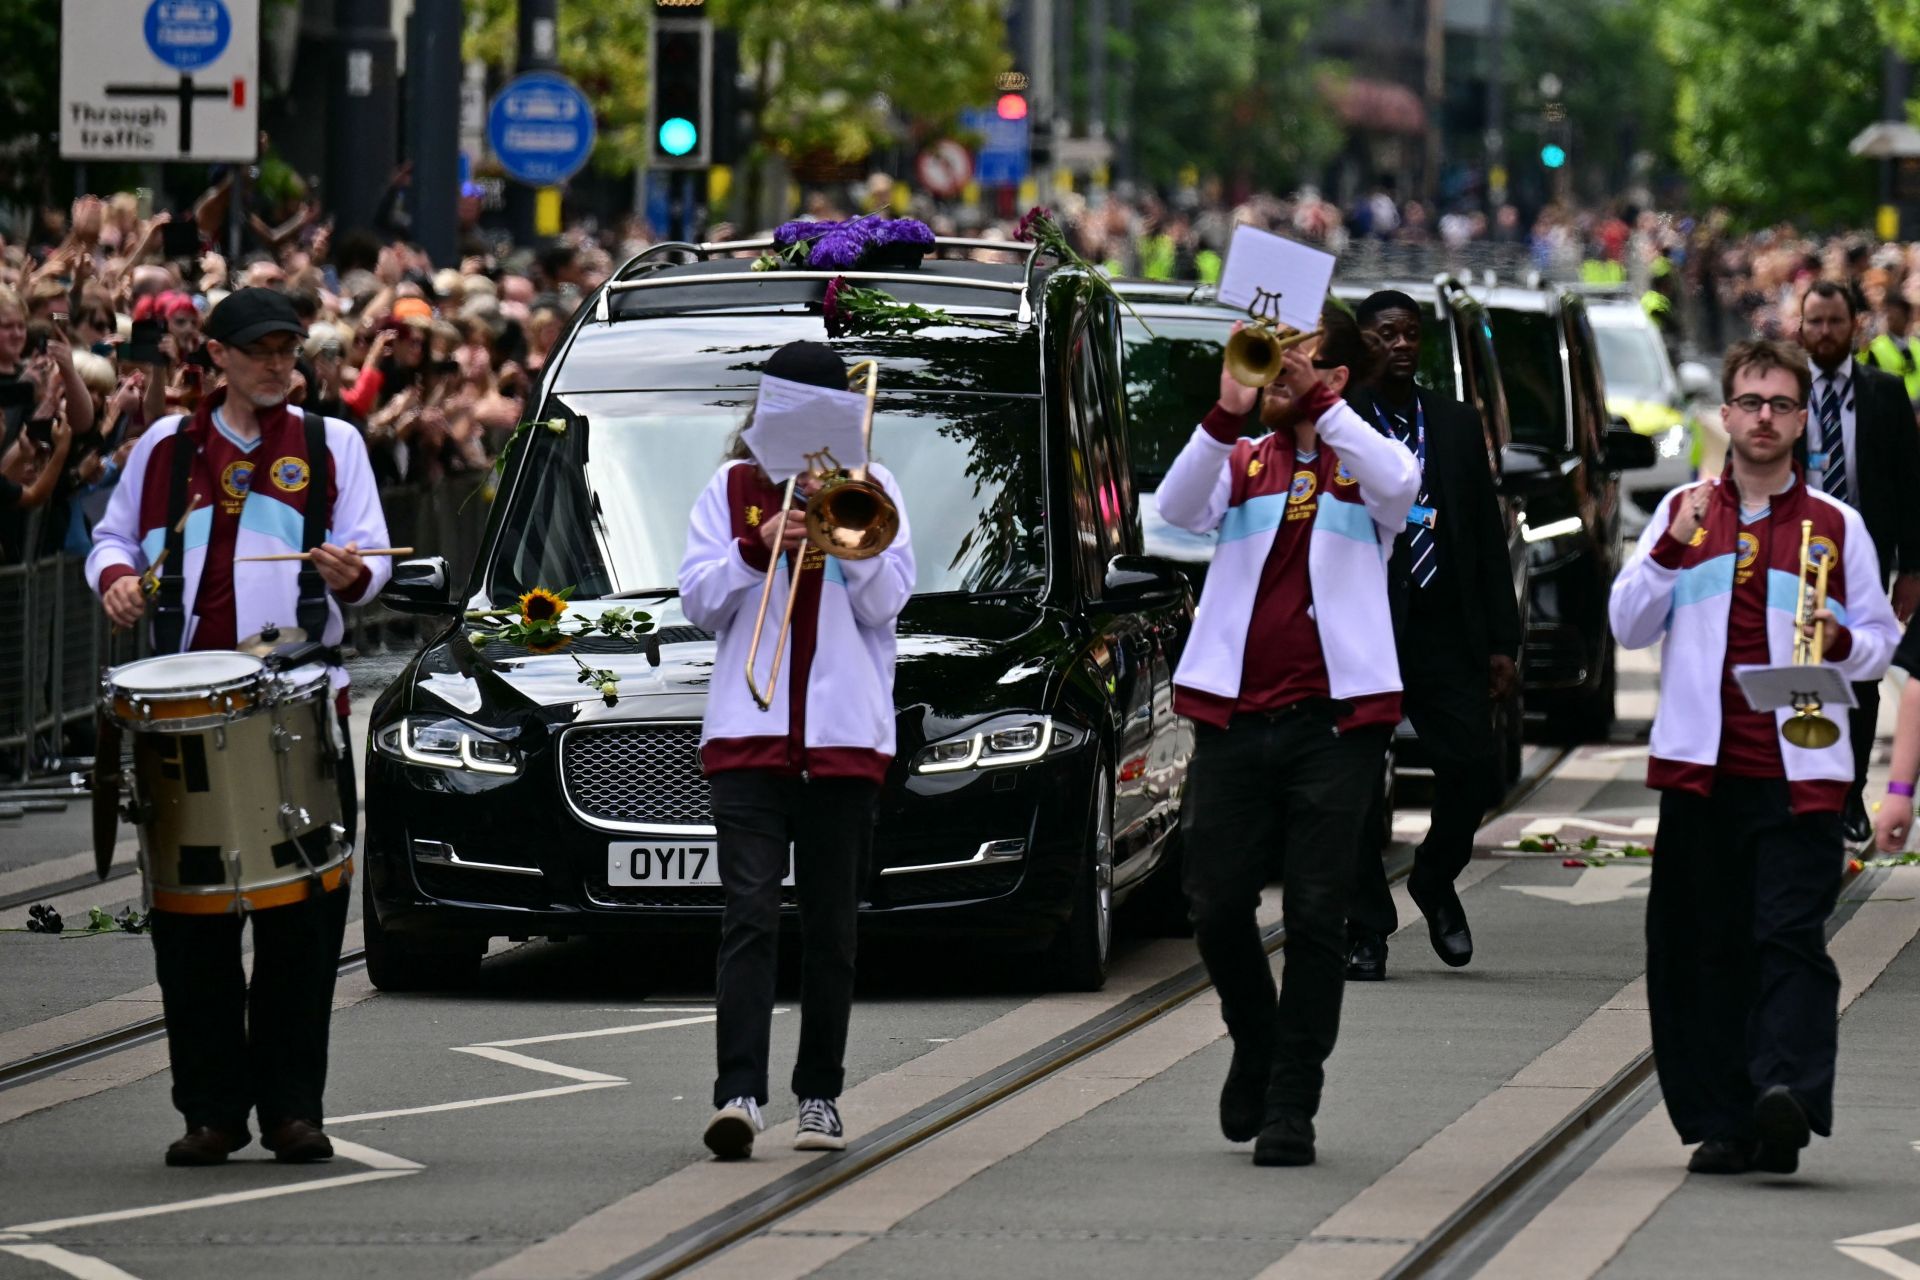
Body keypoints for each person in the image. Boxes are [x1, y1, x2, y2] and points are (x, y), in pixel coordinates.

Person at [85, 287, 392, 1167]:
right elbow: (112, 539)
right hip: (183, 713)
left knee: (304, 925)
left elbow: (372, 553)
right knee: (192, 927)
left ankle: (294, 1109)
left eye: (287, 349)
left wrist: (349, 574)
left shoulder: (333, 445)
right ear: (215, 357)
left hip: (298, 697)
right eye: (258, 349)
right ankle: (212, 1111)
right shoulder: (166, 448)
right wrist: (112, 579)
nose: (277, 363)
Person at [1610, 339, 1897, 1176]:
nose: (1764, 418)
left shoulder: (1837, 526)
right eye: (1750, 402)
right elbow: (1626, 625)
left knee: (1787, 937)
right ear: (1725, 415)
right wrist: (1669, 551)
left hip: (1801, 769)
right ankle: (1724, 1118)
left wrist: (1844, 641)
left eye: (1780, 404)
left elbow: (1881, 640)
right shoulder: (1682, 513)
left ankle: (1786, 1092)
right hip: (1702, 773)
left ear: (1802, 420)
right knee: (1697, 947)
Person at [1155, 302, 1418, 1167]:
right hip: (1235, 718)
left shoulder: (1360, 464)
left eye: (1300, 358)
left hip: (1333, 726)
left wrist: (1328, 410)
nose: (1282, 368)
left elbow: (1402, 486)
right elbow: (1177, 508)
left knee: (1315, 912)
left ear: (1336, 378)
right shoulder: (1242, 459)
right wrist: (1226, 410)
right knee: (1216, 902)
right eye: (1279, 355)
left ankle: (1292, 1100)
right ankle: (1256, 1039)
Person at [677, 340, 915, 1161]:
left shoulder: (874, 492)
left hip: (843, 739)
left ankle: (821, 1094)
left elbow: (890, 603)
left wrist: (844, 536)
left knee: (831, 927)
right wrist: (759, 545)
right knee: (747, 916)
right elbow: (700, 602)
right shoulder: (731, 489)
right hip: (749, 730)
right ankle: (738, 1094)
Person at [1344, 291, 1522, 980]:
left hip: (1446, 625)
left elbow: (1482, 532)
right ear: (1363, 342)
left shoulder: (1451, 421)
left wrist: (1503, 641)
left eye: (1411, 334)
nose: (1401, 345)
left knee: (1473, 766)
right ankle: (1366, 929)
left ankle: (1435, 875)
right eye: (1386, 334)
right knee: (1358, 785)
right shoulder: (1343, 423)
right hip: (1367, 628)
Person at [1794, 281, 1920, 844]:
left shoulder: (1884, 392)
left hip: (1865, 560)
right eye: (1814, 322)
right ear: (1800, 327)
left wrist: (1911, 569)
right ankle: (1809, 792)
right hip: (1796, 560)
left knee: (1863, 678)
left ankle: (1849, 795)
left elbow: (1910, 485)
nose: (1824, 332)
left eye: (1834, 321)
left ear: (1855, 326)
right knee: (1805, 674)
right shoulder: (1787, 393)